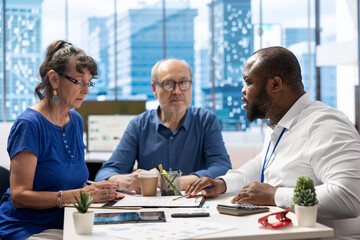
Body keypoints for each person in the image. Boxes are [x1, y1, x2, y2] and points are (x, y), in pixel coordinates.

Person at [186, 46, 360, 239]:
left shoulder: (324, 124)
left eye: (248, 82)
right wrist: (222, 183)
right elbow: (262, 165)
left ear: (275, 84)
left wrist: (275, 195)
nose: (243, 90)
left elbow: (349, 197)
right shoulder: (281, 124)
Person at [0, 40, 121, 240]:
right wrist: (82, 195)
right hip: (28, 227)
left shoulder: (75, 120)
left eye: (89, 82)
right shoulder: (29, 125)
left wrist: (96, 190)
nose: (86, 90)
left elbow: (74, 182)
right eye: (79, 82)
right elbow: (19, 196)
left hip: (68, 222)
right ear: (54, 79)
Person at [95, 58, 232, 193]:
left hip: (192, 202)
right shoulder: (139, 125)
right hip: (149, 208)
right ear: (154, 89)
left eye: (183, 83)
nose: (177, 91)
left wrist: (170, 182)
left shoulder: (205, 120)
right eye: (168, 84)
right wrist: (126, 181)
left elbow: (223, 168)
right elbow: (104, 174)